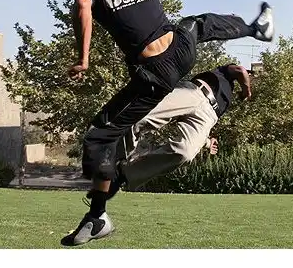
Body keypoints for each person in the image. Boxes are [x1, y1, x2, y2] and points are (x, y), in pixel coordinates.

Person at [61, 0, 274, 246]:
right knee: (196, 24)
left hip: (154, 74)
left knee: (101, 136)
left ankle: (98, 214)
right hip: (181, 51)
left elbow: (82, 7)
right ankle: (255, 29)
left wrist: (83, 58)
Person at [108, 63, 252, 198]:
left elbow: (199, 125)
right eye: (250, 75)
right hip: (194, 93)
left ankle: (123, 175)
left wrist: (207, 142)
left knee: (185, 153)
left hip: (210, 114)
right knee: (141, 117)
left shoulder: (227, 95)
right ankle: (113, 163)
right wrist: (247, 92)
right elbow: (241, 71)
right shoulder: (225, 73)